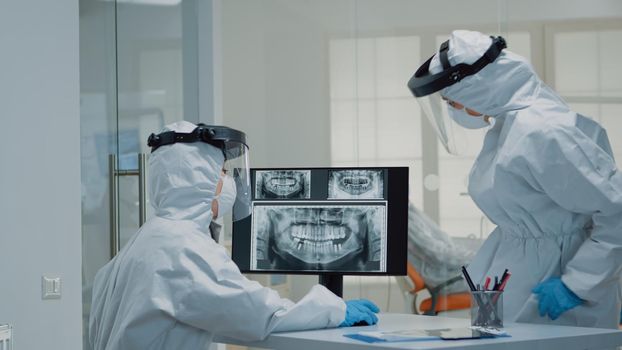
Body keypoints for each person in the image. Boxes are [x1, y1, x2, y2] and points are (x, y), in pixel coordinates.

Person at [89, 121, 379, 350]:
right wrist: (334, 310)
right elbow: (258, 313)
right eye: (223, 171)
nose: (228, 181)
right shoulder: (183, 248)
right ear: (200, 181)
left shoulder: (148, 237)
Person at [408, 30, 622, 328]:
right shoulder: (509, 127)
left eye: (452, 103)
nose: (453, 111)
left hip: (557, 283)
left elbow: (616, 211)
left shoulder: (543, 132)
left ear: (479, 89)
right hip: (519, 273)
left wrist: (578, 283)